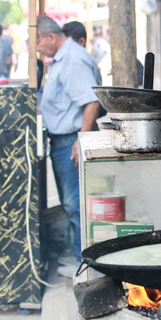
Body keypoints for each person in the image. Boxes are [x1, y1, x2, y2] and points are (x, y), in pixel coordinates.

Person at [37, 15, 101, 277]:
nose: (38, 47)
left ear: (51, 36)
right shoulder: (61, 58)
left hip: (71, 141)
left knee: (76, 204)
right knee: (72, 202)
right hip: (63, 139)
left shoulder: (72, 58)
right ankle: (80, 257)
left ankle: (82, 262)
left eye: (39, 41)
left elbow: (91, 101)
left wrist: (81, 138)